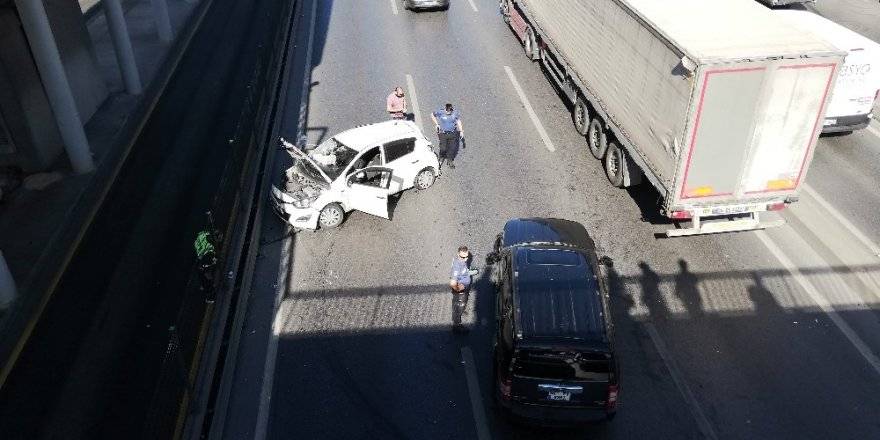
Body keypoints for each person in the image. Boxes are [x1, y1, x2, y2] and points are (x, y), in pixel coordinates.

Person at [449, 245, 479, 332]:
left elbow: (463, 272)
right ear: (458, 254)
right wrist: (458, 289)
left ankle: (460, 311)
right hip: (460, 291)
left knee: (461, 303)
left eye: (467, 256)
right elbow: (452, 283)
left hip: (464, 288)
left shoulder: (461, 261)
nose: (466, 259)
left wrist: (468, 273)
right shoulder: (457, 267)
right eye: (463, 257)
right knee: (459, 305)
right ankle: (457, 326)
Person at [431, 103, 464, 169]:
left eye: (450, 111)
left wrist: (461, 131)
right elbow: (432, 115)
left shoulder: (455, 113)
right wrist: (436, 124)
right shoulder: (441, 112)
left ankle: (450, 160)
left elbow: (458, 121)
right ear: (445, 109)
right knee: (443, 148)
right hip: (443, 133)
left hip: (452, 134)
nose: (449, 113)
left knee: (452, 148)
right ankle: (441, 158)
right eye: (447, 111)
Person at [194, 230, 217, 303]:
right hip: (206, 257)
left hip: (204, 258)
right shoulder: (206, 236)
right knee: (204, 274)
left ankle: (210, 291)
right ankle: (210, 293)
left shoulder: (200, 238)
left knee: (203, 273)